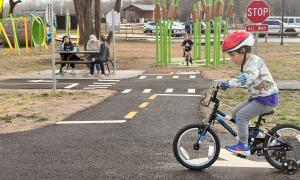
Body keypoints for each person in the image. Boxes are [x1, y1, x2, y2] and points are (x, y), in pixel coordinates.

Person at [218, 31, 279, 156]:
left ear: (243, 50)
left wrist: (229, 83)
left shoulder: (253, 62)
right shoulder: (248, 61)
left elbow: (247, 78)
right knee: (235, 113)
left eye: (232, 55)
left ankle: (243, 145)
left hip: (266, 99)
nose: (231, 58)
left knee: (242, 116)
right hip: (258, 97)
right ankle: (253, 134)